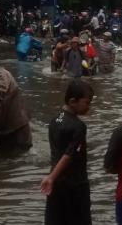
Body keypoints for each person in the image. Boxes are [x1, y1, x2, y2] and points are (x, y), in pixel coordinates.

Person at [41, 80, 94, 225]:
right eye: (87, 102)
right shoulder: (78, 126)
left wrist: (52, 177)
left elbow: (58, 151)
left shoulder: (55, 120)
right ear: (72, 101)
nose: (89, 107)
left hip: (57, 185)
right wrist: (51, 178)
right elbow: (69, 154)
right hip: (75, 184)